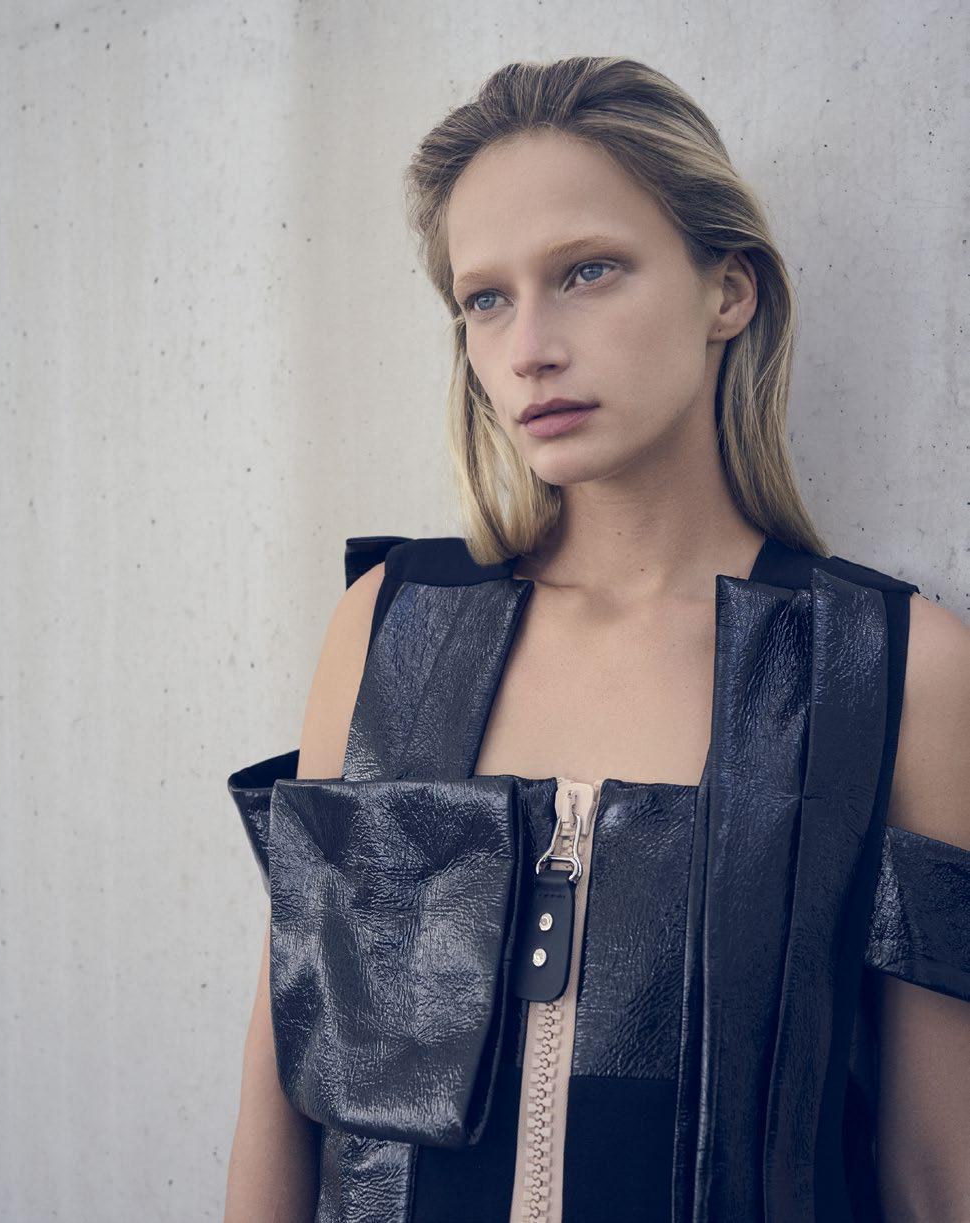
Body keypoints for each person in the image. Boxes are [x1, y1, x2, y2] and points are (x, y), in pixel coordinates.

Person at [224, 56, 970, 1222]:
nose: (529, 346)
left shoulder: (892, 664)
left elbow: (935, 1170)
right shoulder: (390, 626)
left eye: (587, 271)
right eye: (485, 299)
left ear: (729, 291)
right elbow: (286, 1082)